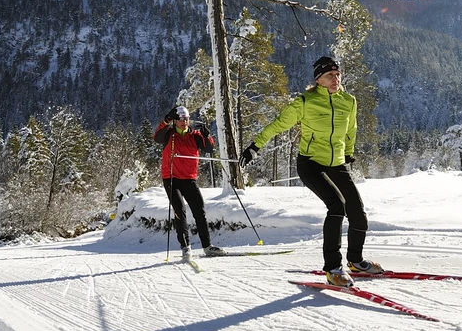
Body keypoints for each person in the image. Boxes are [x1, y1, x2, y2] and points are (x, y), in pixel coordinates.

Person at [240, 56, 381, 287]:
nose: (335, 78)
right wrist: (255, 146)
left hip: (336, 163)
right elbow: (278, 124)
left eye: (337, 74)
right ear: (318, 79)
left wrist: (349, 152)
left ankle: (355, 261)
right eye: (329, 75)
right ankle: (333, 268)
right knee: (337, 205)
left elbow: (351, 129)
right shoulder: (306, 102)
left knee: (357, 208)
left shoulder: (349, 101)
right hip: (311, 164)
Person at [155, 105, 225, 260]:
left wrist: (207, 136)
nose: (183, 122)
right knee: (179, 212)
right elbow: (157, 138)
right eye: (180, 119)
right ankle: (185, 247)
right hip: (171, 178)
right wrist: (166, 120)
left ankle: (207, 246)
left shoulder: (195, 135)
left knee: (200, 211)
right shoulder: (169, 134)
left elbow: (209, 148)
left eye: (186, 119)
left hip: (189, 179)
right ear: (175, 121)